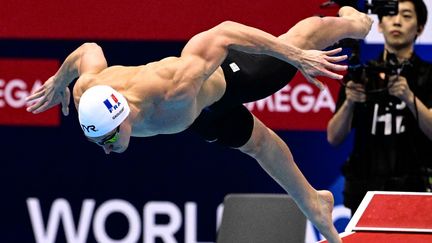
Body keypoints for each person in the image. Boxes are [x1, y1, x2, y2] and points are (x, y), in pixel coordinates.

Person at [26, 6, 372, 243]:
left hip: (231, 81)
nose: (106, 148)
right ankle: (314, 202)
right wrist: (59, 81)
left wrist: (295, 58)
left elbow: (224, 33)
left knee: (301, 38)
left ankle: (353, 21)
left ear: (123, 116)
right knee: (259, 145)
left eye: (108, 138)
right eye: (99, 141)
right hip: (198, 119)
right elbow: (88, 50)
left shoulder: (173, 86)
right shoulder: (88, 88)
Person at [327, 0, 432, 215]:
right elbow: (333, 137)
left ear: (420, 28)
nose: (397, 21)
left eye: (407, 16)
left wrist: (408, 96)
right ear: (380, 25)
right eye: (391, 15)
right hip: (363, 190)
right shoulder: (361, 74)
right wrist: (350, 101)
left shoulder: (429, 76)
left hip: (415, 190)